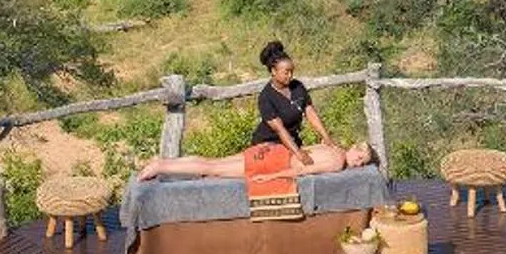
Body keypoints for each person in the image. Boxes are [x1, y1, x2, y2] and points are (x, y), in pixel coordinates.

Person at [135, 141, 373, 182]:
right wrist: (269, 176)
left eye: (362, 163)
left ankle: (164, 161)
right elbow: (302, 172)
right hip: (274, 161)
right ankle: (160, 166)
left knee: (212, 162)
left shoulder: (331, 145)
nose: (358, 163)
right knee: (213, 169)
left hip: (272, 150)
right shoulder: (336, 161)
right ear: (354, 147)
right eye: (360, 157)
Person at [252, 41, 330, 153]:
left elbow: (310, 113)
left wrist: (327, 138)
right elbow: (280, 129)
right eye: (286, 72)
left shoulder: (298, 87)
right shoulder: (266, 97)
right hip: (269, 145)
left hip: (292, 143)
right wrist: (298, 153)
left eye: (292, 71)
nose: (290, 75)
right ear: (274, 71)